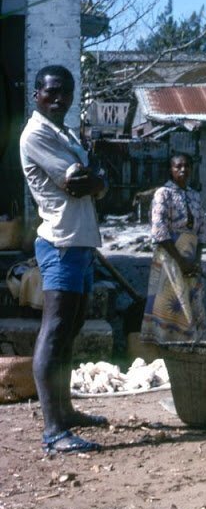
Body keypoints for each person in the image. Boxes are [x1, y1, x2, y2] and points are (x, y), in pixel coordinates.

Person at [20, 65, 108, 454]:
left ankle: (66, 411)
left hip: (81, 243)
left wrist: (97, 179)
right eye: (52, 92)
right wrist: (99, 179)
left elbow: (95, 180)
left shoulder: (65, 132)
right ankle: (54, 431)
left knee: (72, 327)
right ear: (36, 94)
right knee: (55, 330)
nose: (60, 98)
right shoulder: (36, 133)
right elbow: (77, 183)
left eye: (66, 92)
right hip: (60, 243)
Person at [140, 152, 206, 344]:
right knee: (170, 304)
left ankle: (190, 346)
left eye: (186, 166)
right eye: (178, 166)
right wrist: (181, 261)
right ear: (171, 170)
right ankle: (166, 347)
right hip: (170, 258)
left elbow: (202, 229)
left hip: (191, 258)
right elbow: (159, 231)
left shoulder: (195, 196)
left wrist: (196, 260)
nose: (183, 170)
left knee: (193, 303)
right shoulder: (163, 194)